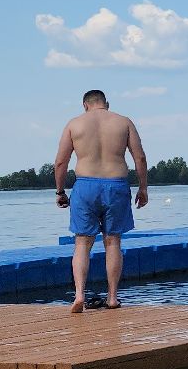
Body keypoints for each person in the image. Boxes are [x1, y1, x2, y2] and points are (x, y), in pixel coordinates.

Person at [53, 89, 148, 313]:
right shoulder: (124, 122)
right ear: (107, 103)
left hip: (85, 186)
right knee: (113, 242)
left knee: (82, 243)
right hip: (116, 185)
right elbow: (140, 157)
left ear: (85, 105)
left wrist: (60, 191)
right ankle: (112, 297)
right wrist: (143, 188)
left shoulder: (74, 124)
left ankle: (79, 295)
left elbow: (60, 162)